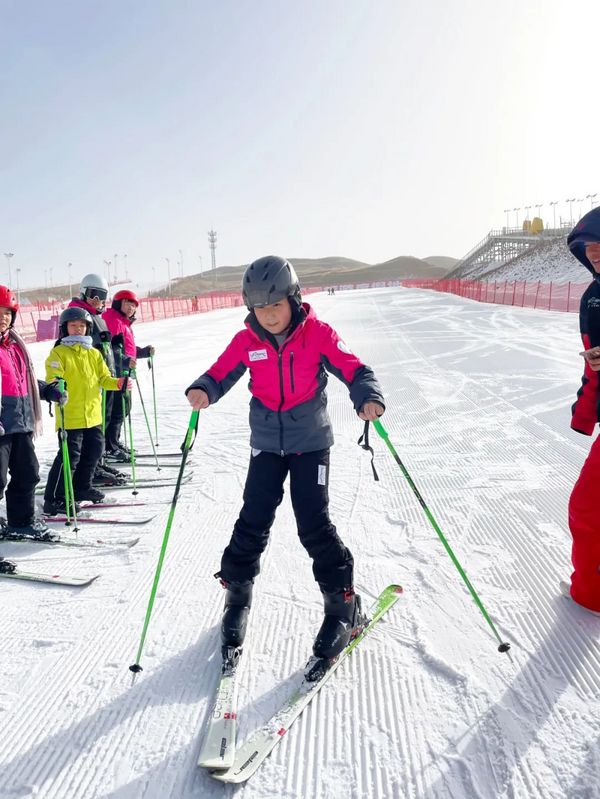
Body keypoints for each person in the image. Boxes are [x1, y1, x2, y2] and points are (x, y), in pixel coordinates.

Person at [186, 255, 385, 675]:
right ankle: (236, 597)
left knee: (312, 523)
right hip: (266, 444)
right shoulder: (248, 341)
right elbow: (221, 372)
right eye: (260, 308)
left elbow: (354, 368)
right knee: (252, 519)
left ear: (293, 299)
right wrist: (204, 388)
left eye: (275, 305)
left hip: (310, 443)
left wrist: (367, 395)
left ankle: (343, 606)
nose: (269, 315)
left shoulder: (317, 334)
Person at [42, 306, 130, 516]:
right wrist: (57, 386)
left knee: (94, 452)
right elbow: (53, 376)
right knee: (69, 457)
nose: (78, 329)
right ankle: (54, 499)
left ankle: (82, 487)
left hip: (92, 416)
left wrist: (118, 383)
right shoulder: (59, 352)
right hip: (70, 416)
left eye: (82, 326)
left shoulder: (94, 353)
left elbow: (103, 379)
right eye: (73, 325)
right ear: (65, 328)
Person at [0, 285, 64, 538]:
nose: (3, 317)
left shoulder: (15, 346)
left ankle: (20, 521)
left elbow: (26, 381)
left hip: (21, 422)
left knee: (28, 473)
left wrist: (48, 391)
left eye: (7, 312)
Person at [565, 207, 600, 615]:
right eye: (587, 249)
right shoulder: (593, 298)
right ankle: (591, 588)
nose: (593, 254)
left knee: (588, 508)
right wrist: (585, 413)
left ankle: (590, 594)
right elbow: (594, 362)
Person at [68, 274, 125, 485]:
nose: (98, 300)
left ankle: (96, 463)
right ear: (84, 292)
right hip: (88, 384)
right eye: (94, 294)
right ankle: (89, 469)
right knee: (90, 431)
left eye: (102, 296)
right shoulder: (77, 315)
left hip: (103, 379)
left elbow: (102, 347)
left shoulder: (95, 317)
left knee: (103, 424)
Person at [102, 289, 154, 459]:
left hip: (125, 372)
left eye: (133, 305)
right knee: (116, 410)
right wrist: (124, 360)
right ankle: (109, 446)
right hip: (115, 374)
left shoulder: (123, 323)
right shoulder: (114, 320)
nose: (131, 308)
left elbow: (127, 350)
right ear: (118, 303)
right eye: (127, 303)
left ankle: (113, 442)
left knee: (123, 409)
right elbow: (110, 349)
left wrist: (144, 352)